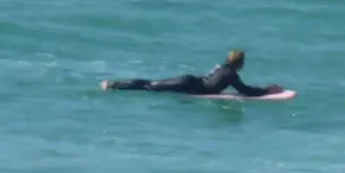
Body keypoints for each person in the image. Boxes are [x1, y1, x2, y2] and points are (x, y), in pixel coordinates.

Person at [102, 49, 284, 97]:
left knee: (150, 84)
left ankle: (114, 85)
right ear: (240, 63)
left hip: (190, 81)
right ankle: (113, 85)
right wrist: (268, 90)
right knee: (149, 87)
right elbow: (246, 91)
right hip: (190, 85)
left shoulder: (222, 68)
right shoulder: (230, 74)